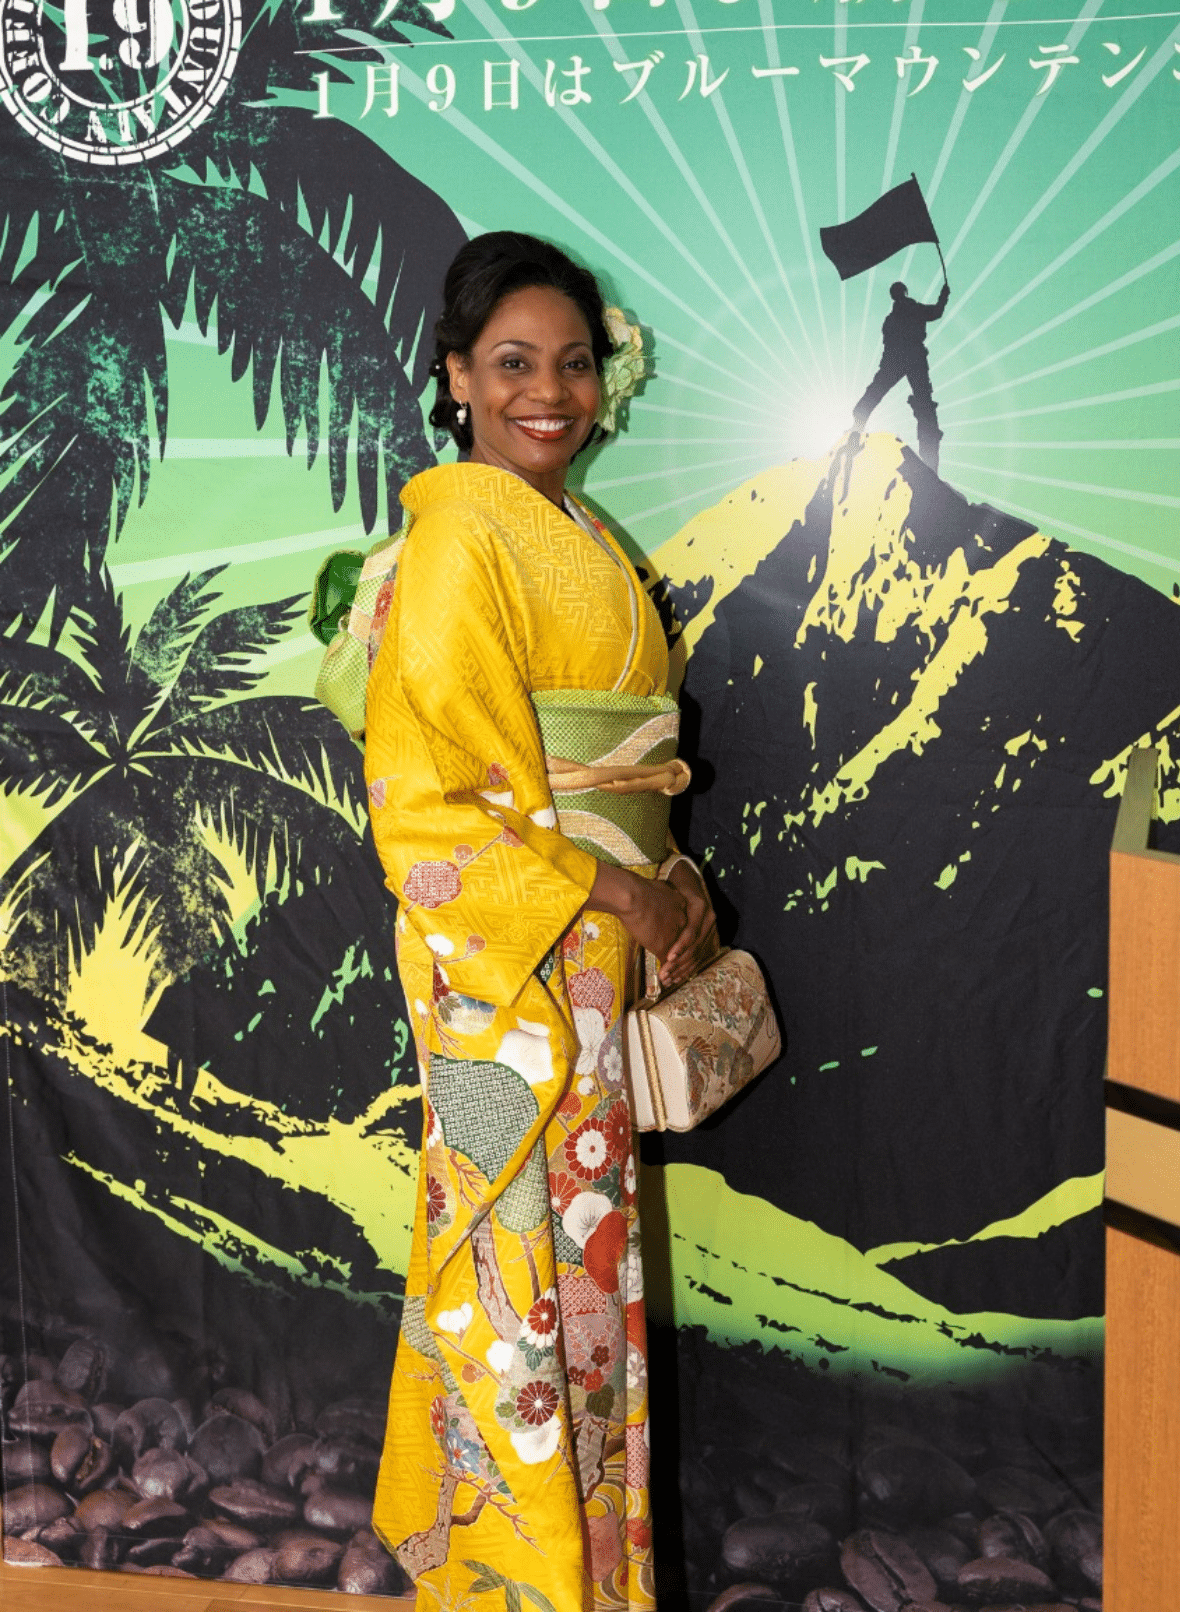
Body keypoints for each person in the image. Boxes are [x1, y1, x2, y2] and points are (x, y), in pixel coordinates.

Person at [364, 231, 715, 1610]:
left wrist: (665, 876)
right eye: (511, 363)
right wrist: (618, 885)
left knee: (579, 1259)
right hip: (511, 959)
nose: (547, 391)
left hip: (583, 942)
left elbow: (616, 767)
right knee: (519, 1259)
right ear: (454, 377)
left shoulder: (577, 533)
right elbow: (426, 801)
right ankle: (512, 1578)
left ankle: (576, 1575)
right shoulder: (460, 527)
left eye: (573, 362)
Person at [852, 278, 950, 472]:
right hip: (912, 356)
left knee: (878, 391)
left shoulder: (890, 319)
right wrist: (944, 296)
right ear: (903, 293)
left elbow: (887, 342)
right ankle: (929, 452)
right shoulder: (911, 308)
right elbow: (936, 312)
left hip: (896, 358)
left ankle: (859, 417)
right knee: (924, 404)